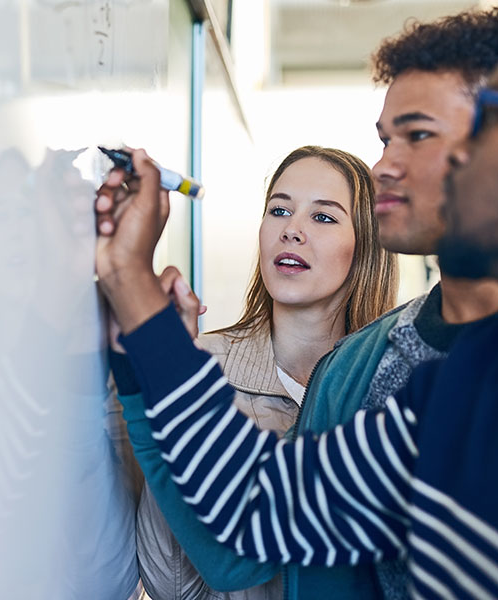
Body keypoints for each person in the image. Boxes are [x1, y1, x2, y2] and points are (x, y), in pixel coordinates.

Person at [95, 0, 498, 596]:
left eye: (496, 125)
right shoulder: (466, 382)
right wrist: (133, 293)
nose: (458, 158)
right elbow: (256, 507)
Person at [111, 146, 398, 599]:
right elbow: (166, 579)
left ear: (366, 246)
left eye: (323, 217)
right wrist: (164, 372)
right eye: (279, 210)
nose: (292, 230)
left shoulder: (387, 384)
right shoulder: (198, 366)